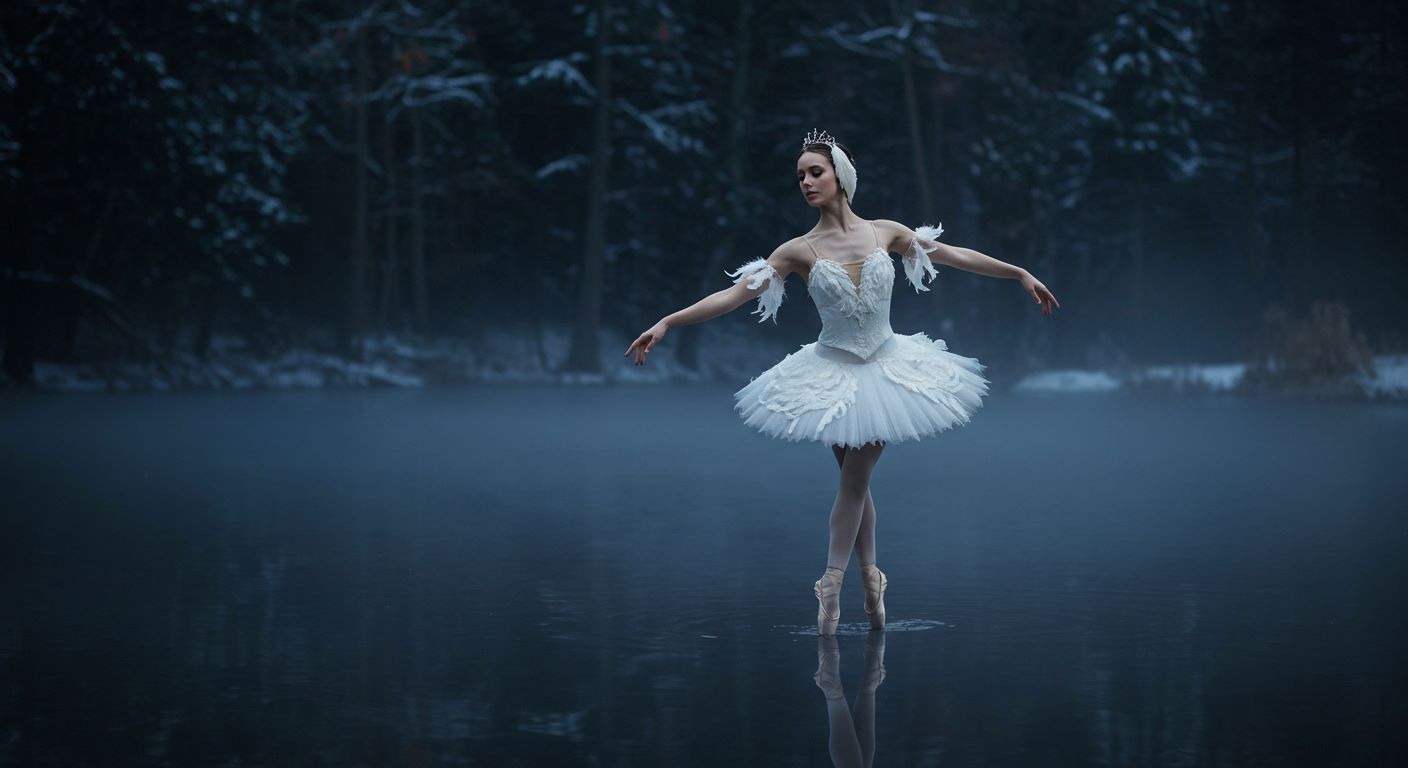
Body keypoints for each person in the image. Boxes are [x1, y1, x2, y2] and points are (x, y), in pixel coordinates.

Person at [625, 129, 1060, 635]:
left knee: (855, 478)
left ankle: (842, 582)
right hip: (831, 373)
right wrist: (668, 322)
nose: (807, 182)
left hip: (887, 368)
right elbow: (732, 296)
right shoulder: (797, 249)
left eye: (816, 172)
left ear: (841, 176)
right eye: (801, 176)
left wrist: (1019, 272)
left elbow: (955, 254)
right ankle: (859, 582)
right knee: (856, 480)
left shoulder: (885, 232)